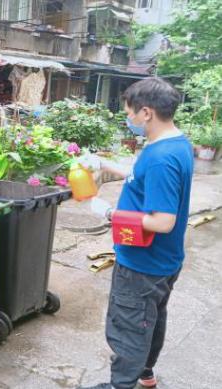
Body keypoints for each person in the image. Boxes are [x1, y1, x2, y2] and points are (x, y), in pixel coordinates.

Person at [78, 78, 194, 389]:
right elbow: (138, 175)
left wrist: (108, 213)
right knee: (150, 320)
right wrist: (104, 163)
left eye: (129, 114)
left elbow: (162, 221)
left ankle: (120, 385)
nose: (128, 120)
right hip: (164, 260)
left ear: (146, 112)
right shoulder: (173, 143)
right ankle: (145, 375)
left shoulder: (161, 158)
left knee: (129, 326)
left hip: (144, 263)